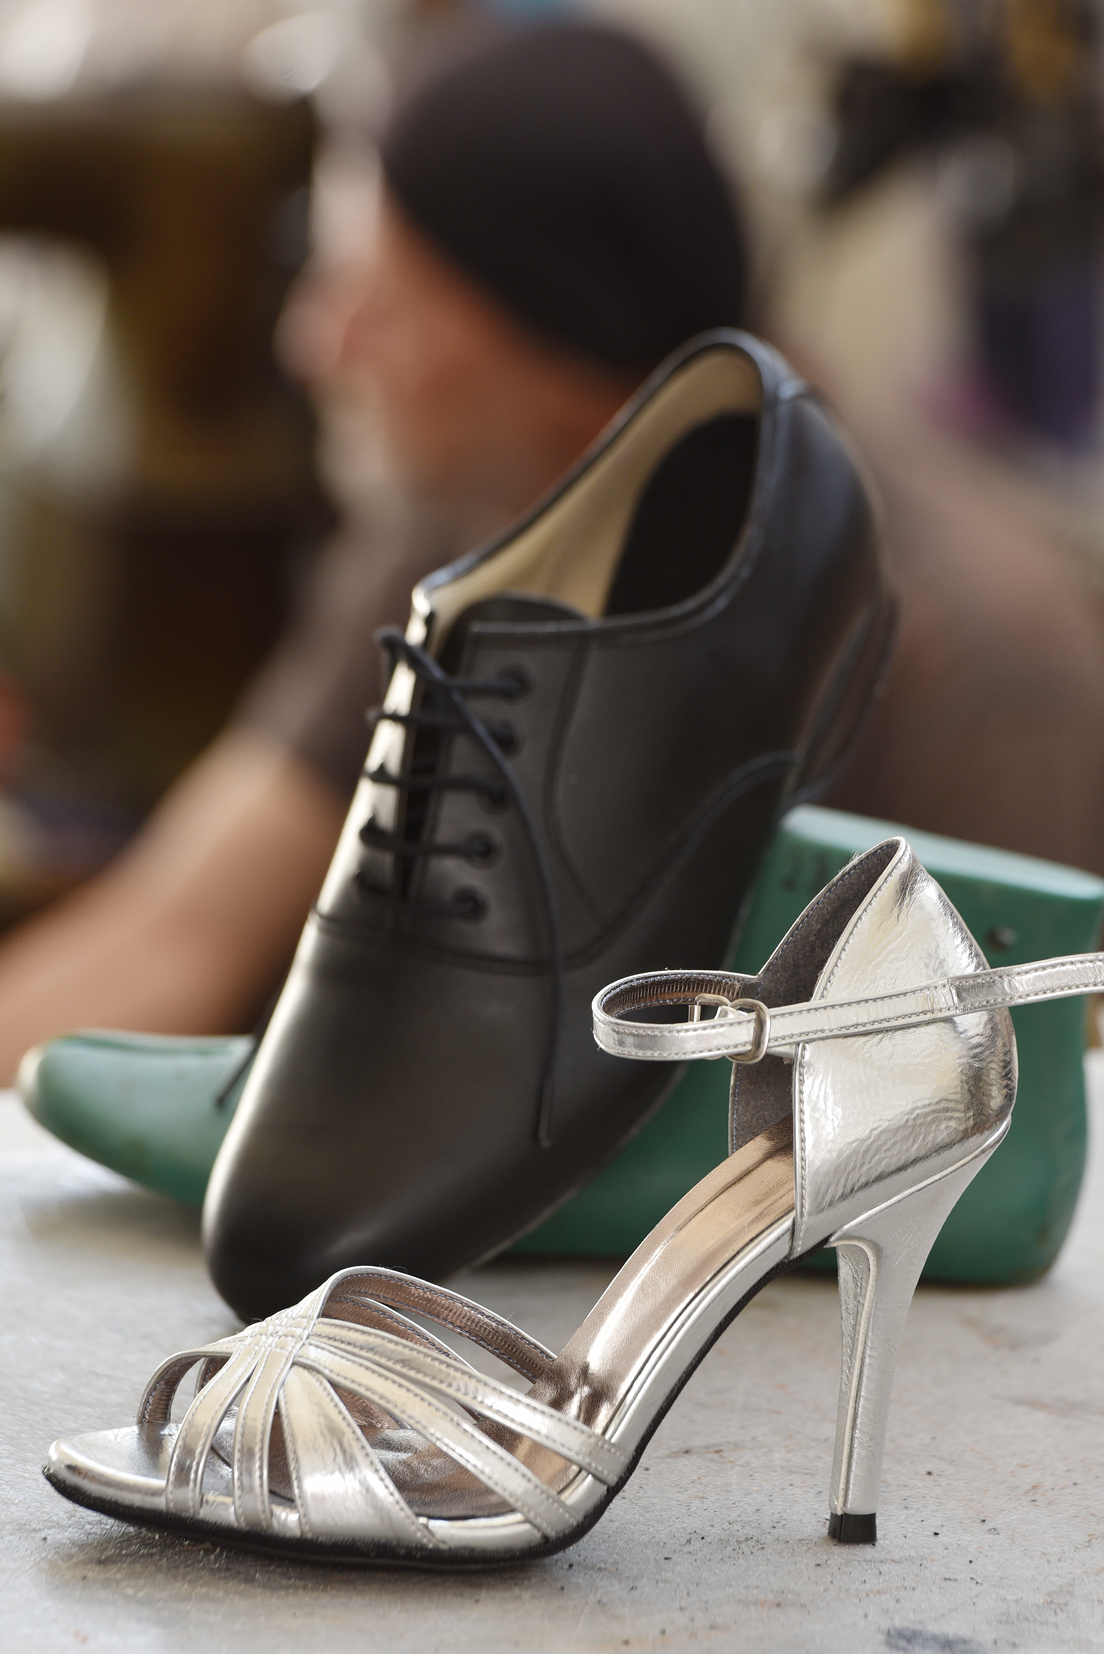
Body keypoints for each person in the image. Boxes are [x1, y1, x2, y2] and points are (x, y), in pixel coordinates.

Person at [0, 20, 748, 1078]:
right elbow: (174, 936)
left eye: (377, 304)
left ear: (566, 363)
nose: (313, 342)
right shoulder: (464, 528)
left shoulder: (927, 639)